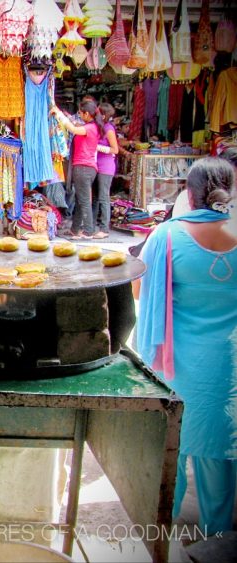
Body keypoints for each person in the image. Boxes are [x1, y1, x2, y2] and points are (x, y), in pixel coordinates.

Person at [136, 156, 237, 535]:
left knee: (169, 450)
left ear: (189, 197)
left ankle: (161, 532)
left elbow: (138, 288)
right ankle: (219, 537)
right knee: (220, 454)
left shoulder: (166, 236)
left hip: (174, 367)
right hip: (227, 370)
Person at [51, 99, 104, 239]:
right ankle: (75, 229)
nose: (79, 115)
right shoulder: (92, 126)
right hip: (87, 168)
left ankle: (88, 231)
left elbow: (73, 129)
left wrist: (60, 116)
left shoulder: (90, 128)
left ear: (87, 113)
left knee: (85, 201)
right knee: (81, 200)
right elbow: (75, 124)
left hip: (83, 168)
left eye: (80, 113)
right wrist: (65, 116)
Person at [91, 103, 119, 239]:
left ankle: (104, 228)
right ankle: (91, 226)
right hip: (96, 165)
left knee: (103, 197)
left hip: (106, 167)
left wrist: (97, 147)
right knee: (95, 197)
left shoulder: (108, 129)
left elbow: (115, 149)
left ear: (103, 115)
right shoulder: (99, 128)